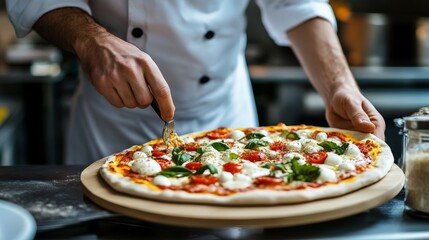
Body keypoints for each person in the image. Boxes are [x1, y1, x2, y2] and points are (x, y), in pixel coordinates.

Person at [6, 1, 385, 165]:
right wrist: (92, 41)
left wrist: (340, 86)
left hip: (226, 120)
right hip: (112, 126)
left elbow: (297, 5)